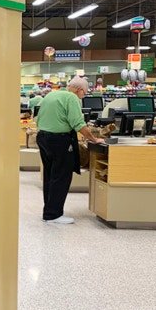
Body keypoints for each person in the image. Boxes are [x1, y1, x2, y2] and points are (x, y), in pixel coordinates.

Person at [36, 77, 105, 224]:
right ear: (79, 90)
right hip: (59, 140)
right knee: (61, 176)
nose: (83, 96)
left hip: (43, 138)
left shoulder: (52, 94)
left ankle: (49, 211)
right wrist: (94, 139)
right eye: (84, 93)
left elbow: (38, 117)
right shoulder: (72, 98)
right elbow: (78, 124)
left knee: (50, 175)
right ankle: (54, 214)